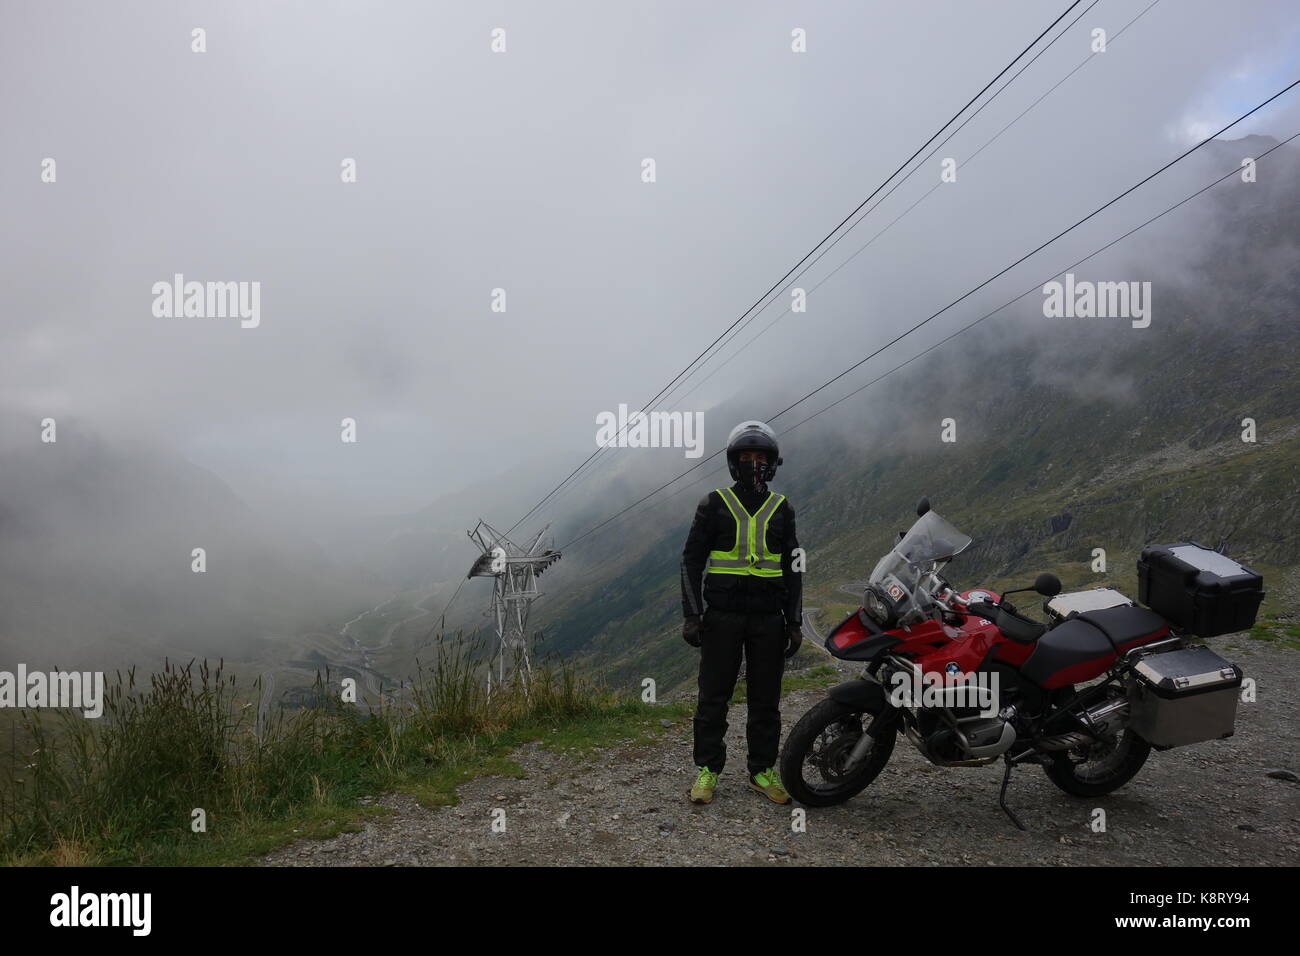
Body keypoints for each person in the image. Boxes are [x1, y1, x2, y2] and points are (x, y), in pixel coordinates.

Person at [680, 420, 803, 805]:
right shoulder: (713, 504)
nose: (754, 463)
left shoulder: (783, 509)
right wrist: (692, 614)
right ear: (734, 463)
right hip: (722, 618)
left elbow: (794, 566)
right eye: (746, 457)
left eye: (761, 457)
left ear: (772, 463)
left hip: (769, 619)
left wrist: (795, 621)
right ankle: (707, 770)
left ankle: (762, 771)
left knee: (765, 700)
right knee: (713, 698)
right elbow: (690, 561)